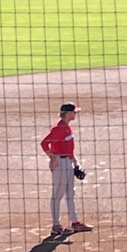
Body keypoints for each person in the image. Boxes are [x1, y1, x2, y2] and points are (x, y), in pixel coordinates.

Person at [40, 102, 93, 238]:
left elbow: (69, 149)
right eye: (74, 112)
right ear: (68, 113)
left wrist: (76, 163)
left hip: (68, 162)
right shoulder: (58, 128)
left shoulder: (68, 127)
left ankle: (75, 222)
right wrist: (52, 158)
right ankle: (56, 225)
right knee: (57, 194)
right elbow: (44, 143)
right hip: (60, 164)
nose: (75, 113)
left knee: (70, 193)